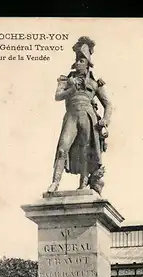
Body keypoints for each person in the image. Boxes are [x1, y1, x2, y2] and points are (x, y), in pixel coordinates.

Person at [47, 36, 112, 193]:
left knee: (85, 152)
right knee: (63, 148)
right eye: (77, 60)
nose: (78, 63)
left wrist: (105, 120)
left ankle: (83, 185)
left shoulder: (96, 83)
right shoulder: (67, 79)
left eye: (82, 60)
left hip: (89, 118)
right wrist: (72, 90)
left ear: (88, 63)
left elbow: (108, 104)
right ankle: (55, 183)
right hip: (71, 116)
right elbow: (57, 96)